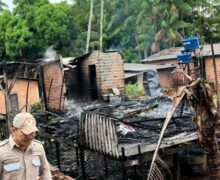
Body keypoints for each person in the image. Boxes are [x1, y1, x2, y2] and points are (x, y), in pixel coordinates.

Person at [0, 112, 52, 180]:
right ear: (13, 130)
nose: (29, 137)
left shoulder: (38, 147)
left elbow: (45, 170)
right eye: (25, 133)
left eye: (32, 133)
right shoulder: (2, 151)